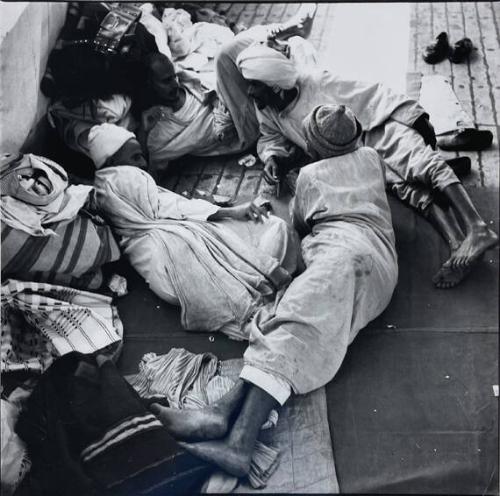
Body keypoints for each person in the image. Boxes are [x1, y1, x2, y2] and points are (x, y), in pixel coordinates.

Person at [150, 104, 399, 477]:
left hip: (342, 257)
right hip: (380, 264)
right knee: (291, 319)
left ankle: (238, 445)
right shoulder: (370, 158)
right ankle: (219, 416)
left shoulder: (311, 175)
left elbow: (297, 232)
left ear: (312, 146)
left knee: (292, 323)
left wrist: (281, 276)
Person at [234, 37, 498, 288]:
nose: (249, 90)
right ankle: (456, 242)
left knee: (422, 164)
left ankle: (477, 227)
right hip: (354, 151)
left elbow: (372, 92)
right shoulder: (266, 107)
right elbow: (270, 137)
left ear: (274, 85)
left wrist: (414, 116)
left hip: (377, 125)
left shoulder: (316, 81)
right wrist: (272, 157)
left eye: (254, 84)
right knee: (407, 190)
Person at [92, 161, 300, 340]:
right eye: (146, 192)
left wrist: (233, 213)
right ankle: (261, 284)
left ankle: (257, 284)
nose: (143, 162)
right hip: (209, 286)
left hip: (207, 266)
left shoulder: (138, 221)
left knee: (274, 227)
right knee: (274, 230)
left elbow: (181, 207)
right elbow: (176, 290)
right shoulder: (151, 242)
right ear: (133, 200)